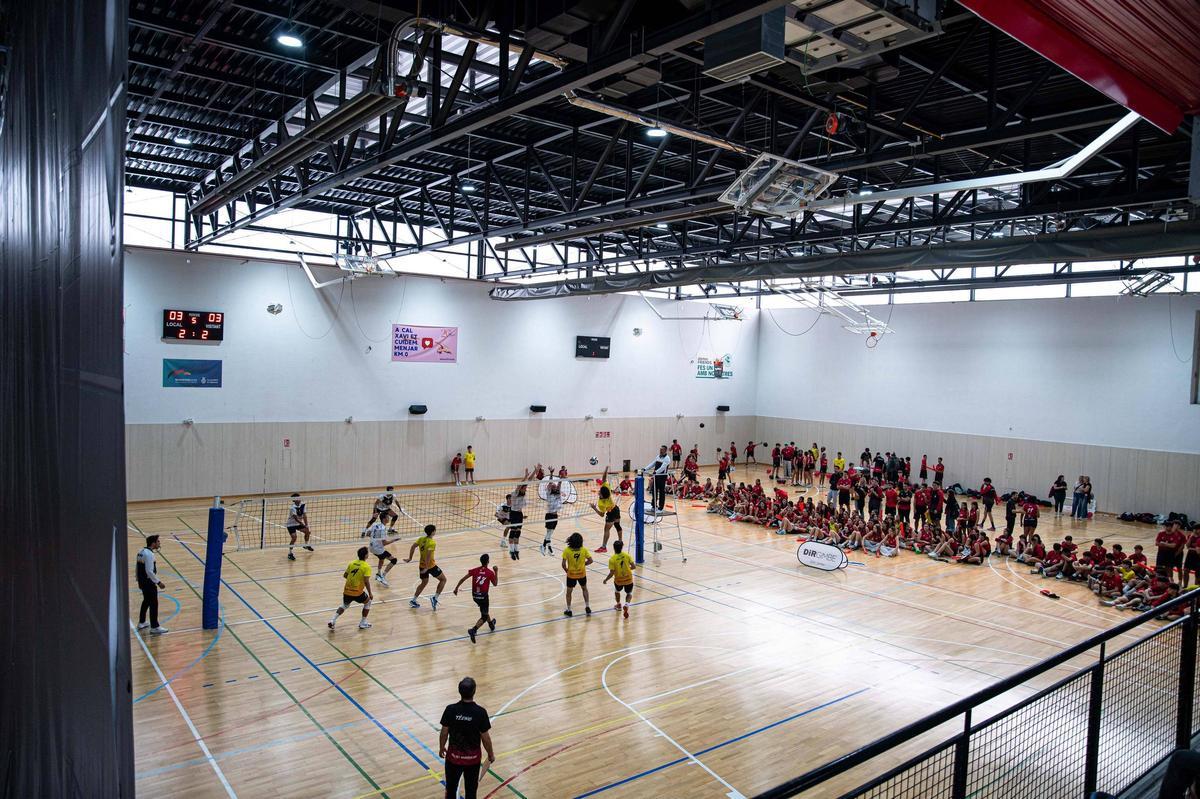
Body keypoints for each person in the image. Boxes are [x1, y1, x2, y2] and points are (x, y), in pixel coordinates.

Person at [439, 677, 495, 799]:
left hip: (453, 759)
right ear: (474, 691)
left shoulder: (451, 709)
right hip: (472, 761)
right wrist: (490, 754)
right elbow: (485, 738)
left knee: (451, 791)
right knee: (471, 792)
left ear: (459, 691)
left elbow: (444, 732)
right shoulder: (480, 712)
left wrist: (441, 747)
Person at [454, 554, 498, 643]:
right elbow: (495, 583)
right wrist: (496, 571)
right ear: (488, 561)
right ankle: (473, 630)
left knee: (484, 610)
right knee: (484, 616)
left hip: (475, 596)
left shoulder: (475, 570)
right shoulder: (490, 572)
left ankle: (491, 625)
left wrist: (456, 588)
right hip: (483, 597)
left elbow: (463, 579)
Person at [328, 546, 373, 630]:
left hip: (347, 591)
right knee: (368, 602)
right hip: (357, 593)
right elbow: (366, 582)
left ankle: (332, 620)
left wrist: (353, 580)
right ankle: (363, 623)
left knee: (344, 605)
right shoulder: (366, 567)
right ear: (366, 555)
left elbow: (345, 575)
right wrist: (370, 593)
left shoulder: (352, 563)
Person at [406, 524, 446, 609]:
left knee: (424, 583)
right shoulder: (432, 543)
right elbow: (428, 555)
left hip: (421, 565)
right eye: (435, 530)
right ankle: (435, 598)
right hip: (430, 566)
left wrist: (410, 558)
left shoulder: (421, 539)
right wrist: (427, 567)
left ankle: (413, 600)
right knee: (443, 579)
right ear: (433, 532)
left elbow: (413, 547)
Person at [136, 535, 169, 634]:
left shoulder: (141, 552)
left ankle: (142, 622)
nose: (159, 543)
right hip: (148, 583)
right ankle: (154, 626)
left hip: (142, 582)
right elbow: (149, 571)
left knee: (146, 601)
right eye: (158, 541)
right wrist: (158, 582)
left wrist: (138, 579)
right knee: (154, 603)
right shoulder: (149, 554)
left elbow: (137, 568)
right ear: (153, 543)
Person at [590, 466, 622, 554]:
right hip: (616, 509)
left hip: (611, 513)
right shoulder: (606, 488)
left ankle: (604, 547)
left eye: (600, 492)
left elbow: (601, 514)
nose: (599, 492)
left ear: (602, 496)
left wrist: (594, 508)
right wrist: (606, 470)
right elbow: (604, 479)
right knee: (617, 525)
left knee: (606, 530)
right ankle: (620, 541)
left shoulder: (601, 503)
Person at [561, 532, 592, 617]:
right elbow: (590, 560)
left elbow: (563, 564)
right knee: (584, 589)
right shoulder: (583, 550)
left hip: (571, 575)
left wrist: (566, 570)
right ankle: (587, 606)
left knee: (569, 592)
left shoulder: (567, 550)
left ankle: (569, 610)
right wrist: (583, 564)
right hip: (582, 574)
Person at [603, 539, 636, 618]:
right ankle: (627, 605)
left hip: (619, 580)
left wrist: (606, 579)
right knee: (629, 593)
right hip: (628, 579)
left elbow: (612, 573)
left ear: (614, 548)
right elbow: (634, 566)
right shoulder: (627, 555)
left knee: (617, 591)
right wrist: (628, 568)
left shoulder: (612, 559)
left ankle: (618, 604)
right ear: (622, 547)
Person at [505, 469, 532, 560]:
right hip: (513, 514)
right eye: (524, 489)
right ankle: (511, 551)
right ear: (520, 489)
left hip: (520, 515)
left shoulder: (523, 494)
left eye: (525, 489)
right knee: (512, 533)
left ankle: (516, 550)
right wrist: (525, 476)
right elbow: (520, 485)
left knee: (518, 533)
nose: (525, 490)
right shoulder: (515, 493)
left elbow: (528, 482)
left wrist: (536, 471)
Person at [366, 521, 400, 587]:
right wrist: (394, 539)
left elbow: (368, 533)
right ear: (384, 518)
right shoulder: (383, 528)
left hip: (371, 547)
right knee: (394, 560)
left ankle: (378, 573)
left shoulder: (375, 524)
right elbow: (384, 543)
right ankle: (383, 576)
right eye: (387, 516)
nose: (389, 518)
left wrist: (375, 537)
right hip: (378, 549)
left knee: (381, 558)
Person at [285, 493, 314, 561]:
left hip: (298, 524)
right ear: (294, 500)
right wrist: (303, 525)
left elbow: (304, 516)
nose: (299, 499)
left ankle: (306, 545)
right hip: (291, 525)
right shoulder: (292, 508)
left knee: (308, 532)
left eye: (299, 497)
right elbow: (296, 519)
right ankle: (290, 553)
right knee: (294, 538)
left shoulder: (303, 505)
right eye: (297, 498)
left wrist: (306, 525)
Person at [541, 467, 563, 555]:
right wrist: (551, 473)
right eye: (553, 486)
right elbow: (550, 483)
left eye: (555, 486)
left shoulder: (557, 493)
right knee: (549, 533)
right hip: (549, 515)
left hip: (555, 516)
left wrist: (561, 478)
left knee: (550, 533)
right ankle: (543, 546)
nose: (555, 486)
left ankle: (549, 547)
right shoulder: (549, 493)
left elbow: (559, 484)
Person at [644, 445, 671, 512]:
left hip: (662, 476)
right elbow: (652, 464)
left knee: (661, 492)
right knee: (654, 490)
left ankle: (660, 508)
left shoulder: (667, 458)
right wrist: (645, 469)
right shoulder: (658, 456)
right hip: (656, 476)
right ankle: (654, 506)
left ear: (665, 450)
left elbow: (662, 467)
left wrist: (655, 472)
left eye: (662, 450)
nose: (660, 451)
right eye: (660, 449)